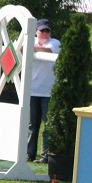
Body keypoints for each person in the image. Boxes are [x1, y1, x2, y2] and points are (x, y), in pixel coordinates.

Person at [28, 19, 61, 163]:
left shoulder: (55, 42)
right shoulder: (30, 41)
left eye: (47, 30)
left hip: (48, 91)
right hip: (32, 89)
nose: (45, 33)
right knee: (31, 125)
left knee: (48, 125)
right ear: (36, 31)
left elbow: (48, 51)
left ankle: (45, 156)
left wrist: (31, 47)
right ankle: (29, 154)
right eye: (42, 31)